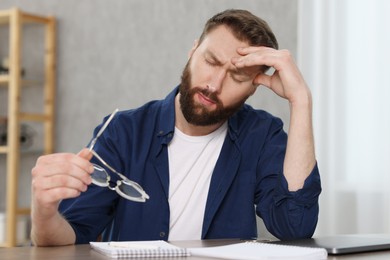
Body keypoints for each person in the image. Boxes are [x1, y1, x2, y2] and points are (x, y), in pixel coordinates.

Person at [31, 9, 321, 246]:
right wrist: (44, 213)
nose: (214, 84)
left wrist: (301, 101)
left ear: (254, 88)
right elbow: (70, 235)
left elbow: (294, 226)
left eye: (237, 77)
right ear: (193, 50)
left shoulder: (261, 134)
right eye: (210, 61)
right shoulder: (123, 130)